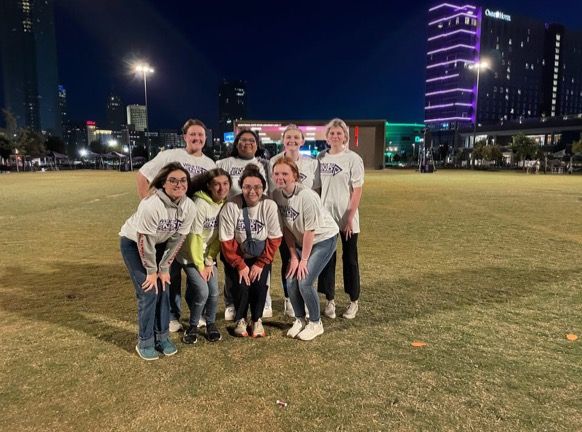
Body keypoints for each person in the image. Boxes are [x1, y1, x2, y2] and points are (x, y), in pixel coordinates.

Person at [136, 119, 216, 333]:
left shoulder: (210, 164)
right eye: (193, 134)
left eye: (200, 135)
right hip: (170, 226)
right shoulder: (170, 156)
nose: (197, 138)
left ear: (205, 138)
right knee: (170, 270)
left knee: (193, 274)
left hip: (195, 228)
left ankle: (194, 314)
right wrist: (148, 202)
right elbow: (143, 174)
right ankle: (172, 315)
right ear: (185, 137)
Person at [120, 162, 196, 360]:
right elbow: (144, 242)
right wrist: (151, 271)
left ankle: (162, 337)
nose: (179, 184)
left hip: (159, 247)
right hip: (134, 244)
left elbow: (177, 240)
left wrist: (164, 269)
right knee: (148, 291)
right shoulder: (151, 204)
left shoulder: (189, 206)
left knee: (164, 289)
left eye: (183, 180)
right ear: (163, 183)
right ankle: (145, 341)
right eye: (173, 180)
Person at [271, 157, 338, 341]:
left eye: (285, 173)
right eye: (277, 173)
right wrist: (293, 257)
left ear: (295, 176)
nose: (280, 177)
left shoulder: (307, 196)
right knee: (290, 280)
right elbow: (287, 229)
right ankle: (300, 319)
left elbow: (310, 231)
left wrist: (304, 260)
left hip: (323, 238)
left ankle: (316, 323)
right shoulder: (277, 195)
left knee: (305, 280)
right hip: (301, 240)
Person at [219, 165, 282, 338]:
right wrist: (240, 265)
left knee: (260, 285)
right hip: (238, 255)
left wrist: (261, 263)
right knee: (241, 285)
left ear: (263, 188)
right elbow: (226, 240)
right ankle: (240, 319)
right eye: (247, 187)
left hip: (260, 256)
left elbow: (275, 237)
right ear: (241, 187)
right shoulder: (232, 205)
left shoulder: (269, 205)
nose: (252, 191)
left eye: (257, 187)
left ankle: (256, 319)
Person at [217, 129, 270, 320]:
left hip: (256, 218)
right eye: (243, 140)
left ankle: (264, 301)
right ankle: (231, 303)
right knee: (231, 264)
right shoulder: (223, 163)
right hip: (231, 219)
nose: (247, 143)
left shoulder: (263, 164)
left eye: (252, 140)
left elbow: (268, 192)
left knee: (260, 260)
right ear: (236, 143)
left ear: (257, 144)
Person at [268, 124, 320, 317]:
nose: (292, 141)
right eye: (288, 137)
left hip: (304, 219)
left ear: (302, 141)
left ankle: (305, 298)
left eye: (296, 137)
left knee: (305, 261)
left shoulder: (311, 162)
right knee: (288, 260)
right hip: (285, 218)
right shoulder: (273, 161)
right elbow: (272, 190)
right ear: (283, 140)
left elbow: (316, 190)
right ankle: (289, 299)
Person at [175, 168, 231, 345]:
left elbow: (219, 237)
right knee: (203, 291)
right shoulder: (200, 203)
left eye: (225, 184)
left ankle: (210, 324)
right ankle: (192, 326)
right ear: (209, 186)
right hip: (189, 256)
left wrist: (209, 261)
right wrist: (200, 265)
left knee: (214, 292)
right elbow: (194, 237)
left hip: (206, 258)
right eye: (217, 184)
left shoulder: (224, 204)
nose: (221, 188)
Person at [317, 118, 364, 320]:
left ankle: (353, 301)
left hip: (347, 218)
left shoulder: (353, 159)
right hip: (326, 219)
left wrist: (348, 218)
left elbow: (357, 190)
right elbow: (317, 189)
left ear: (345, 136)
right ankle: (330, 300)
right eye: (332, 133)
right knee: (327, 259)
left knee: (350, 259)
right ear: (326, 136)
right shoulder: (320, 158)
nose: (335, 136)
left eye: (339, 133)